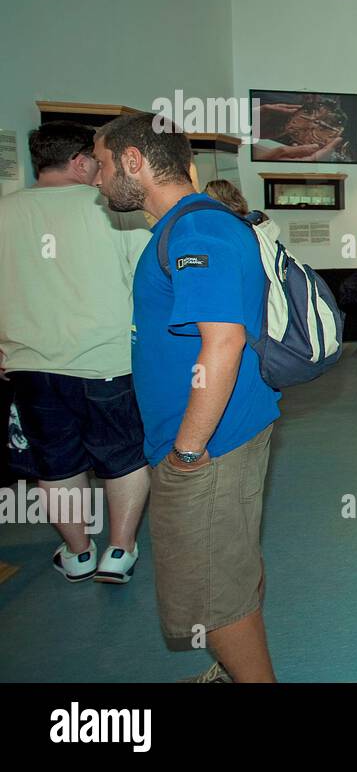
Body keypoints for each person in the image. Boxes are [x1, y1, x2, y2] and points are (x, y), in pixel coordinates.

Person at [93, 111, 281, 683]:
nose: (96, 180)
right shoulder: (184, 228)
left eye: (101, 165)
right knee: (224, 569)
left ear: (133, 160)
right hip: (214, 440)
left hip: (211, 447)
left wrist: (188, 453)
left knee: (215, 591)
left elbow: (222, 343)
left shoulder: (198, 230)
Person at [0, 122, 152, 585]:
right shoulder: (113, 210)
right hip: (106, 363)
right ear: (82, 160)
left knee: (56, 464)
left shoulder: (5, 211)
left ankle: (78, 551)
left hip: (29, 365)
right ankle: (119, 551)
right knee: (124, 458)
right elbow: (144, 282)